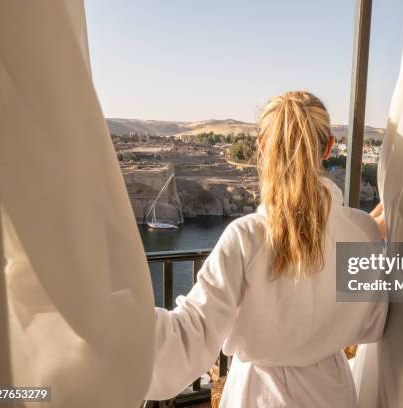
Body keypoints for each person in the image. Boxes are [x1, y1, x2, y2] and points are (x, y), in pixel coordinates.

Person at [145, 91, 387, 407]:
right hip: (333, 393)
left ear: (261, 146)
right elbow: (372, 324)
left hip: (259, 396)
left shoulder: (247, 238)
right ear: (328, 148)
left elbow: (188, 340)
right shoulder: (362, 231)